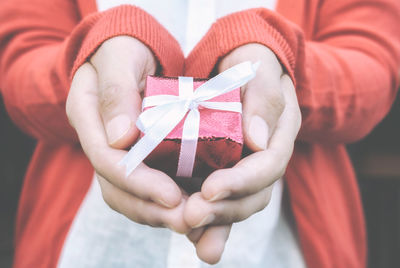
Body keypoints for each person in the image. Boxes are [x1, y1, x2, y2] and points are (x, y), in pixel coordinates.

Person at [0, 0, 399, 267]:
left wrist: (279, 65)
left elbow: (374, 59)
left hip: (279, 252)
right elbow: (20, 54)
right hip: (90, 248)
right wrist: (88, 59)